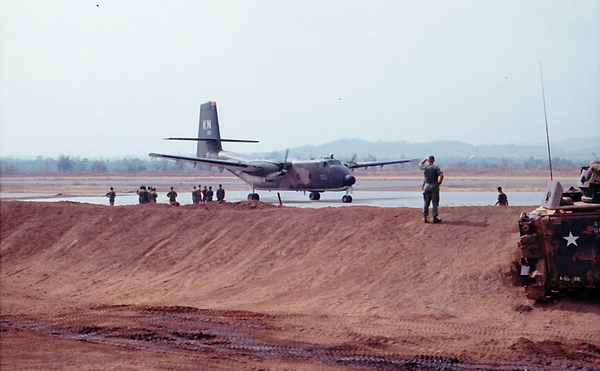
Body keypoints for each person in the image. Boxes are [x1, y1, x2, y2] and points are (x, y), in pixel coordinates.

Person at [419, 155, 444, 223]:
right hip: (434, 186)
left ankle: (425, 217)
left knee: (426, 202)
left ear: (428, 160)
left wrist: (425, 159)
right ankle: (434, 217)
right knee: (435, 202)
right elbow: (441, 175)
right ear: (434, 161)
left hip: (426, 186)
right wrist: (439, 182)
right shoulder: (436, 168)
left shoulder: (425, 167)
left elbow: (420, 164)